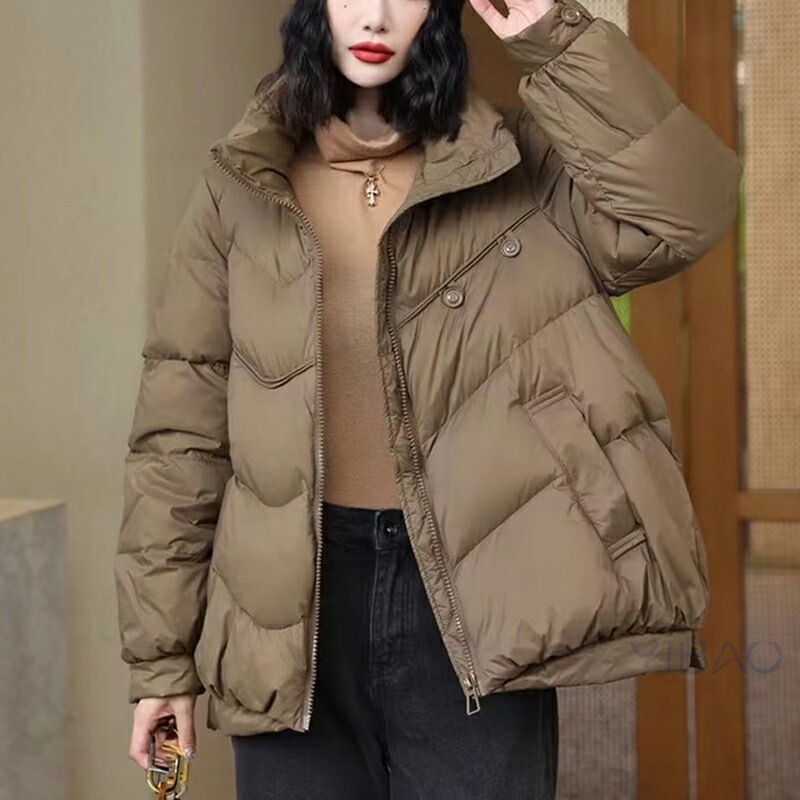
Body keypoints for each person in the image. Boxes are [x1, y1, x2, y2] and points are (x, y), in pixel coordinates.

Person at [115, 0, 741, 797]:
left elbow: (689, 212)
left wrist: (558, 39)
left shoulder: (520, 166)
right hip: (286, 612)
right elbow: (180, 438)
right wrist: (162, 662)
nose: (375, 15)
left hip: (476, 590)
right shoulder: (240, 186)